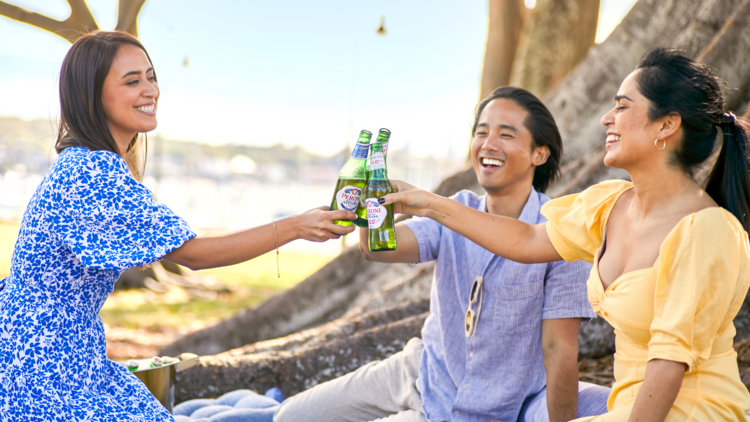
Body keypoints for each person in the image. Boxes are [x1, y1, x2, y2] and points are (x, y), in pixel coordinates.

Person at [0, 31, 355, 422]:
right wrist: (295, 227)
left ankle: (269, 404)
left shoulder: (92, 163)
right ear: (92, 95)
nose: (150, 90)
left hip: (56, 354)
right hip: (44, 369)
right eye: (132, 81)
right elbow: (194, 254)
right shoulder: (91, 171)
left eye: (151, 76)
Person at [382, 48, 750, 421]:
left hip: (691, 412)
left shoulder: (707, 230)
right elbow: (526, 241)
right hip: (626, 407)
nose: (607, 118)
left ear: (666, 125)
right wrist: (427, 204)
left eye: (622, 107)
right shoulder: (610, 206)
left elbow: (667, 365)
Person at [274, 86, 611, 422]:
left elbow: (560, 351)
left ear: (539, 154)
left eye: (506, 135)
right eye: (481, 133)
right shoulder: (456, 209)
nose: (488, 144)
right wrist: (371, 198)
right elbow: (376, 250)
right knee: (288, 417)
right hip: (418, 374)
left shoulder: (559, 235)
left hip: (490, 408)